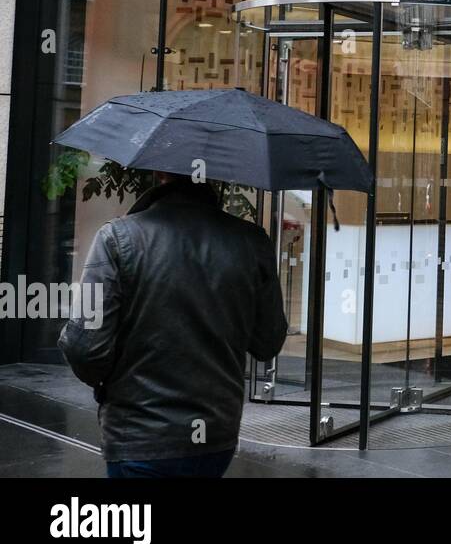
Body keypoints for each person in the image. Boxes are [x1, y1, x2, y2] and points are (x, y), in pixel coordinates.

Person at [59, 173, 288, 478]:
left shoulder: (117, 237)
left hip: (139, 433)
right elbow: (268, 341)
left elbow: (84, 347)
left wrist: (107, 384)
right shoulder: (251, 241)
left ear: (160, 176)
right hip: (215, 435)